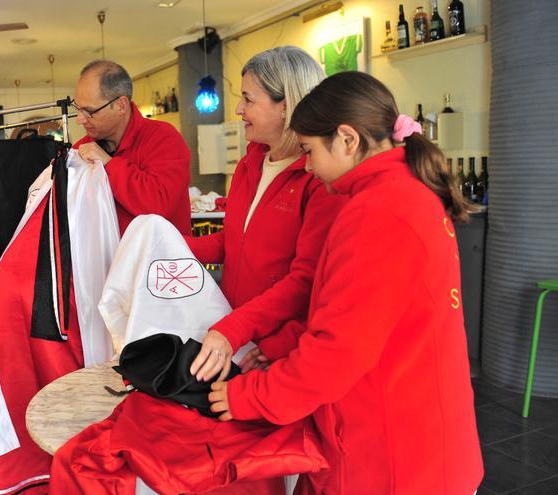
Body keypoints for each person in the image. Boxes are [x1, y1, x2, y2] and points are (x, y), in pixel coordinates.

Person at [207, 71, 483, 493]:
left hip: (394, 451)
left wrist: (251, 396)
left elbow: (338, 350)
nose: (310, 166)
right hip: (410, 427)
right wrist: (280, 347)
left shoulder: (380, 210)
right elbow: (356, 310)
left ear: (348, 139)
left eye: (310, 151)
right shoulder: (397, 193)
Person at [186, 46, 346, 382]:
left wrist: (261, 338)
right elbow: (233, 241)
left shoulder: (318, 179)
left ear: (285, 105)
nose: (238, 109)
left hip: (273, 348)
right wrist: (164, 243)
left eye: (248, 99)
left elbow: (307, 281)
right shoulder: (251, 162)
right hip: (236, 334)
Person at [73, 59, 192, 235]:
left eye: (89, 111)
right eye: (77, 108)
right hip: (105, 261)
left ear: (121, 105)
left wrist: (109, 164)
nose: (80, 119)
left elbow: (158, 206)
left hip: (157, 258)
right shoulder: (82, 148)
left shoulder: (163, 138)